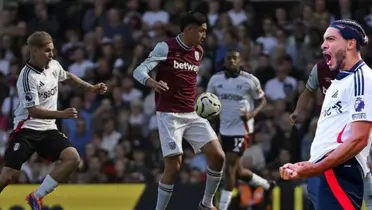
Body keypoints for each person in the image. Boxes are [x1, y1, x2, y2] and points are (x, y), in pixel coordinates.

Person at [0, 31, 107, 210]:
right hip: (26, 129)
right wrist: (62, 114)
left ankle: (37, 196)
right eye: (47, 51)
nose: (52, 54)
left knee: (72, 158)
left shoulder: (53, 65)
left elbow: (68, 76)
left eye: (52, 50)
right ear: (34, 51)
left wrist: (91, 88)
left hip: (48, 129)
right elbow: (33, 111)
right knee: (9, 175)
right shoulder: (27, 77)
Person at [133, 11, 225, 210]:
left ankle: (206, 204)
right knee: (174, 165)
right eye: (201, 31)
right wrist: (151, 82)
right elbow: (138, 70)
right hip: (169, 114)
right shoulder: (165, 47)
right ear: (189, 29)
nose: (204, 36)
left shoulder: (198, 52)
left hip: (192, 113)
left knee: (218, 156)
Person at [280, 19, 372, 210]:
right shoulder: (337, 83)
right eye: (324, 40)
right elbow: (330, 137)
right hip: (324, 171)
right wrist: (306, 166)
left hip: (339, 170)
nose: (323, 45)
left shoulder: (363, 78)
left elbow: (359, 139)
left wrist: (316, 167)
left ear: (350, 43)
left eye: (330, 39)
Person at [207, 49, 275, 210]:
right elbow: (209, 100)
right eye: (228, 58)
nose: (231, 61)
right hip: (224, 130)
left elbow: (262, 100)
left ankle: (223, 208)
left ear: (240, 61)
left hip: (242, 130)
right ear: (224, 62)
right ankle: (266, 185)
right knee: (237, 171)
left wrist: (252, 114)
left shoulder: (250, 80)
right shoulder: (215, 80)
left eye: (235, 58)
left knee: (229, 167)